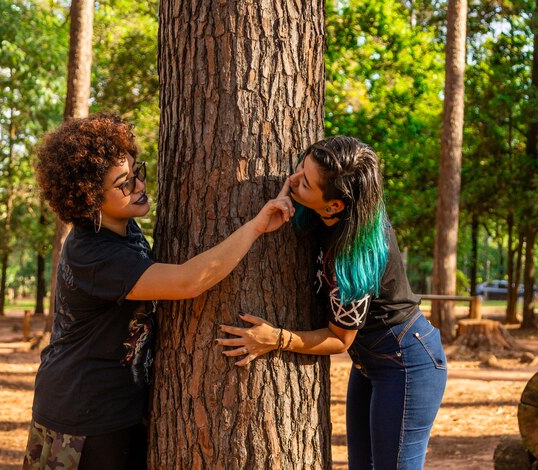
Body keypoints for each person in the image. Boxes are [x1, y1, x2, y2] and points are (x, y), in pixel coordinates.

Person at [22, 113, 294, 470]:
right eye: (124, 183)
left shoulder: (124, 227)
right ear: (89, 198)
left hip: (110, 405)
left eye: (137, 172)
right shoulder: (94, 253)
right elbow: (188, 281)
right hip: (85, 413)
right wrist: (256, 227)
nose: (138, 185)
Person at [217, 136, 446, 470]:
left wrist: (276, 338)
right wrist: (284, 200)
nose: (294, 179)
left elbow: (340, 338)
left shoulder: (355, 252)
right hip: (370, 362)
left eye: (305, 183)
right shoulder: (325, 213)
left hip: (406, 362)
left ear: (335, 204)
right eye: (300, 167)